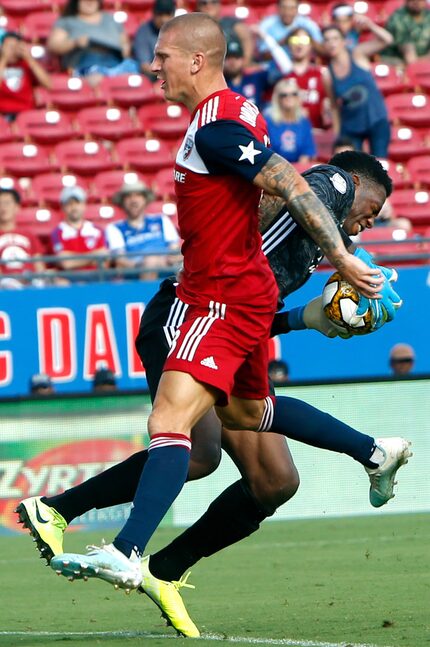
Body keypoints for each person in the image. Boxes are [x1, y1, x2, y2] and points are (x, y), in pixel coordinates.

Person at [21, 12, 396, 615]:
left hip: (218, 299)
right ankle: (83, 523)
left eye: (162, 57)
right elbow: (296, 190)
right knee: (203, 445)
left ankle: (145, 559)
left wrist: (329, 279)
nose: (152, 67)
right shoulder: (244, 124)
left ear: (196, 60)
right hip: (204, 302)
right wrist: (332, 274)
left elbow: (288, 196)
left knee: (264, 470)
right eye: (369, 210)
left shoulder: (226, 128)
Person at [323, 24, 393, 158]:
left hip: (376, 118)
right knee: (354, 167)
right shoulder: (328, 74)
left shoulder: (357, 54)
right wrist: (338, 136)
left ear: (343, 41)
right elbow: (334, 107)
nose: (331, 43)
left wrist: (369, 24)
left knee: (380, 164)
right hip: (351, 125)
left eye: (335, 39)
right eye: (327, 40)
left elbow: (387, 40)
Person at [47, 0, 138, 86]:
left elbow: (124, 42)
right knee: (97, 80)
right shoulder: (67, 21)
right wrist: (74, 42)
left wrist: (125, 48)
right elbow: (53, 46)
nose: (89, 3)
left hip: (115, 64)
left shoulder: (111, 19)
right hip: (84, 65)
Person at [106, 181, 181, 280]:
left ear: (145, 199)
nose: (133, 200)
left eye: (138, 195)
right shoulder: (115, 228)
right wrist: (145, 265)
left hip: (167, 267)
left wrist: (164, 261)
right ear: (122, 202)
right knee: (150, 261)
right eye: (128, 196)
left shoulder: (161, 220)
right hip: (135, 275)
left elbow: (174, 248)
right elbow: (120, 259)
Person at [51, 186, 107, 274]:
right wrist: (94, 256)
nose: (74, 207)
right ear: (62, 207)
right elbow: (66, 263)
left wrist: (74, 259)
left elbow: (105, 261)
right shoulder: (57, 232)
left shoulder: (97, 230)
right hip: (71, 281)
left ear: (84, 205)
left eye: (77, 203)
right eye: (69, 204)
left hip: (97, 279)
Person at [0, 31, 51, 121]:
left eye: (15, 47)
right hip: (3, 113)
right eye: (9, 47)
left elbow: (48, 84)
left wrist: (29, 59)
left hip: (26, 113)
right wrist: (4, 59)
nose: (12, 50)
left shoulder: (26, 65)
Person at [0, 188, 46, 289]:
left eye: (7, 203)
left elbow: (38, 264)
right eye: (0, 203)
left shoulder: (29, 235)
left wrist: (40, 279)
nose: (3, 208)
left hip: (30, 282)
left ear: (17, 207)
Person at [264, 77, 316, 163]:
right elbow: (267, 154)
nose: (289, 97)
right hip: (274, 170)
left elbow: (307, 153)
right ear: (277, 98)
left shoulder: (304, 122)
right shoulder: (268, 122)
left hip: (299, 170)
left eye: (294, 94)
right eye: (284, 95)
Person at [258, 0, 324, 61]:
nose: (287, 12)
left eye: (292, 8)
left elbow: (321, 50)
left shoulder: (307, 24)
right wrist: (285, 41)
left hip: (304, 67)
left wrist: (306, 39)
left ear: (297, 9)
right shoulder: (266, 25)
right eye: (284, 7)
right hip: (275, 68)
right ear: (277, 8)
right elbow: (263, 56)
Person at [195, 0, 254, 66]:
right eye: (204, 3)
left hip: (233, 67)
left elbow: (247, 41)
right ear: (198, 6)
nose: (209, 6)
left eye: (214, 2)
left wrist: (245, 63)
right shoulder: (192, 28)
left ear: (219, 5)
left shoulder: (234, 25)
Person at [132, 0, 176, 82]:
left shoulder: (180, 31)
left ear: (173, 15)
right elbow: (144, 66)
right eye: (160, 14)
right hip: (152, 78)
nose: (163, 19)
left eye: (167, 14)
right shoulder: (144, 31)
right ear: (154, 14)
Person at [383, 0, 430, 64]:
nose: (416, 2)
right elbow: (408, 53)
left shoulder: (428, 15)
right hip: (396, 59)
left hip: (421, 58)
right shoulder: (398, 18)